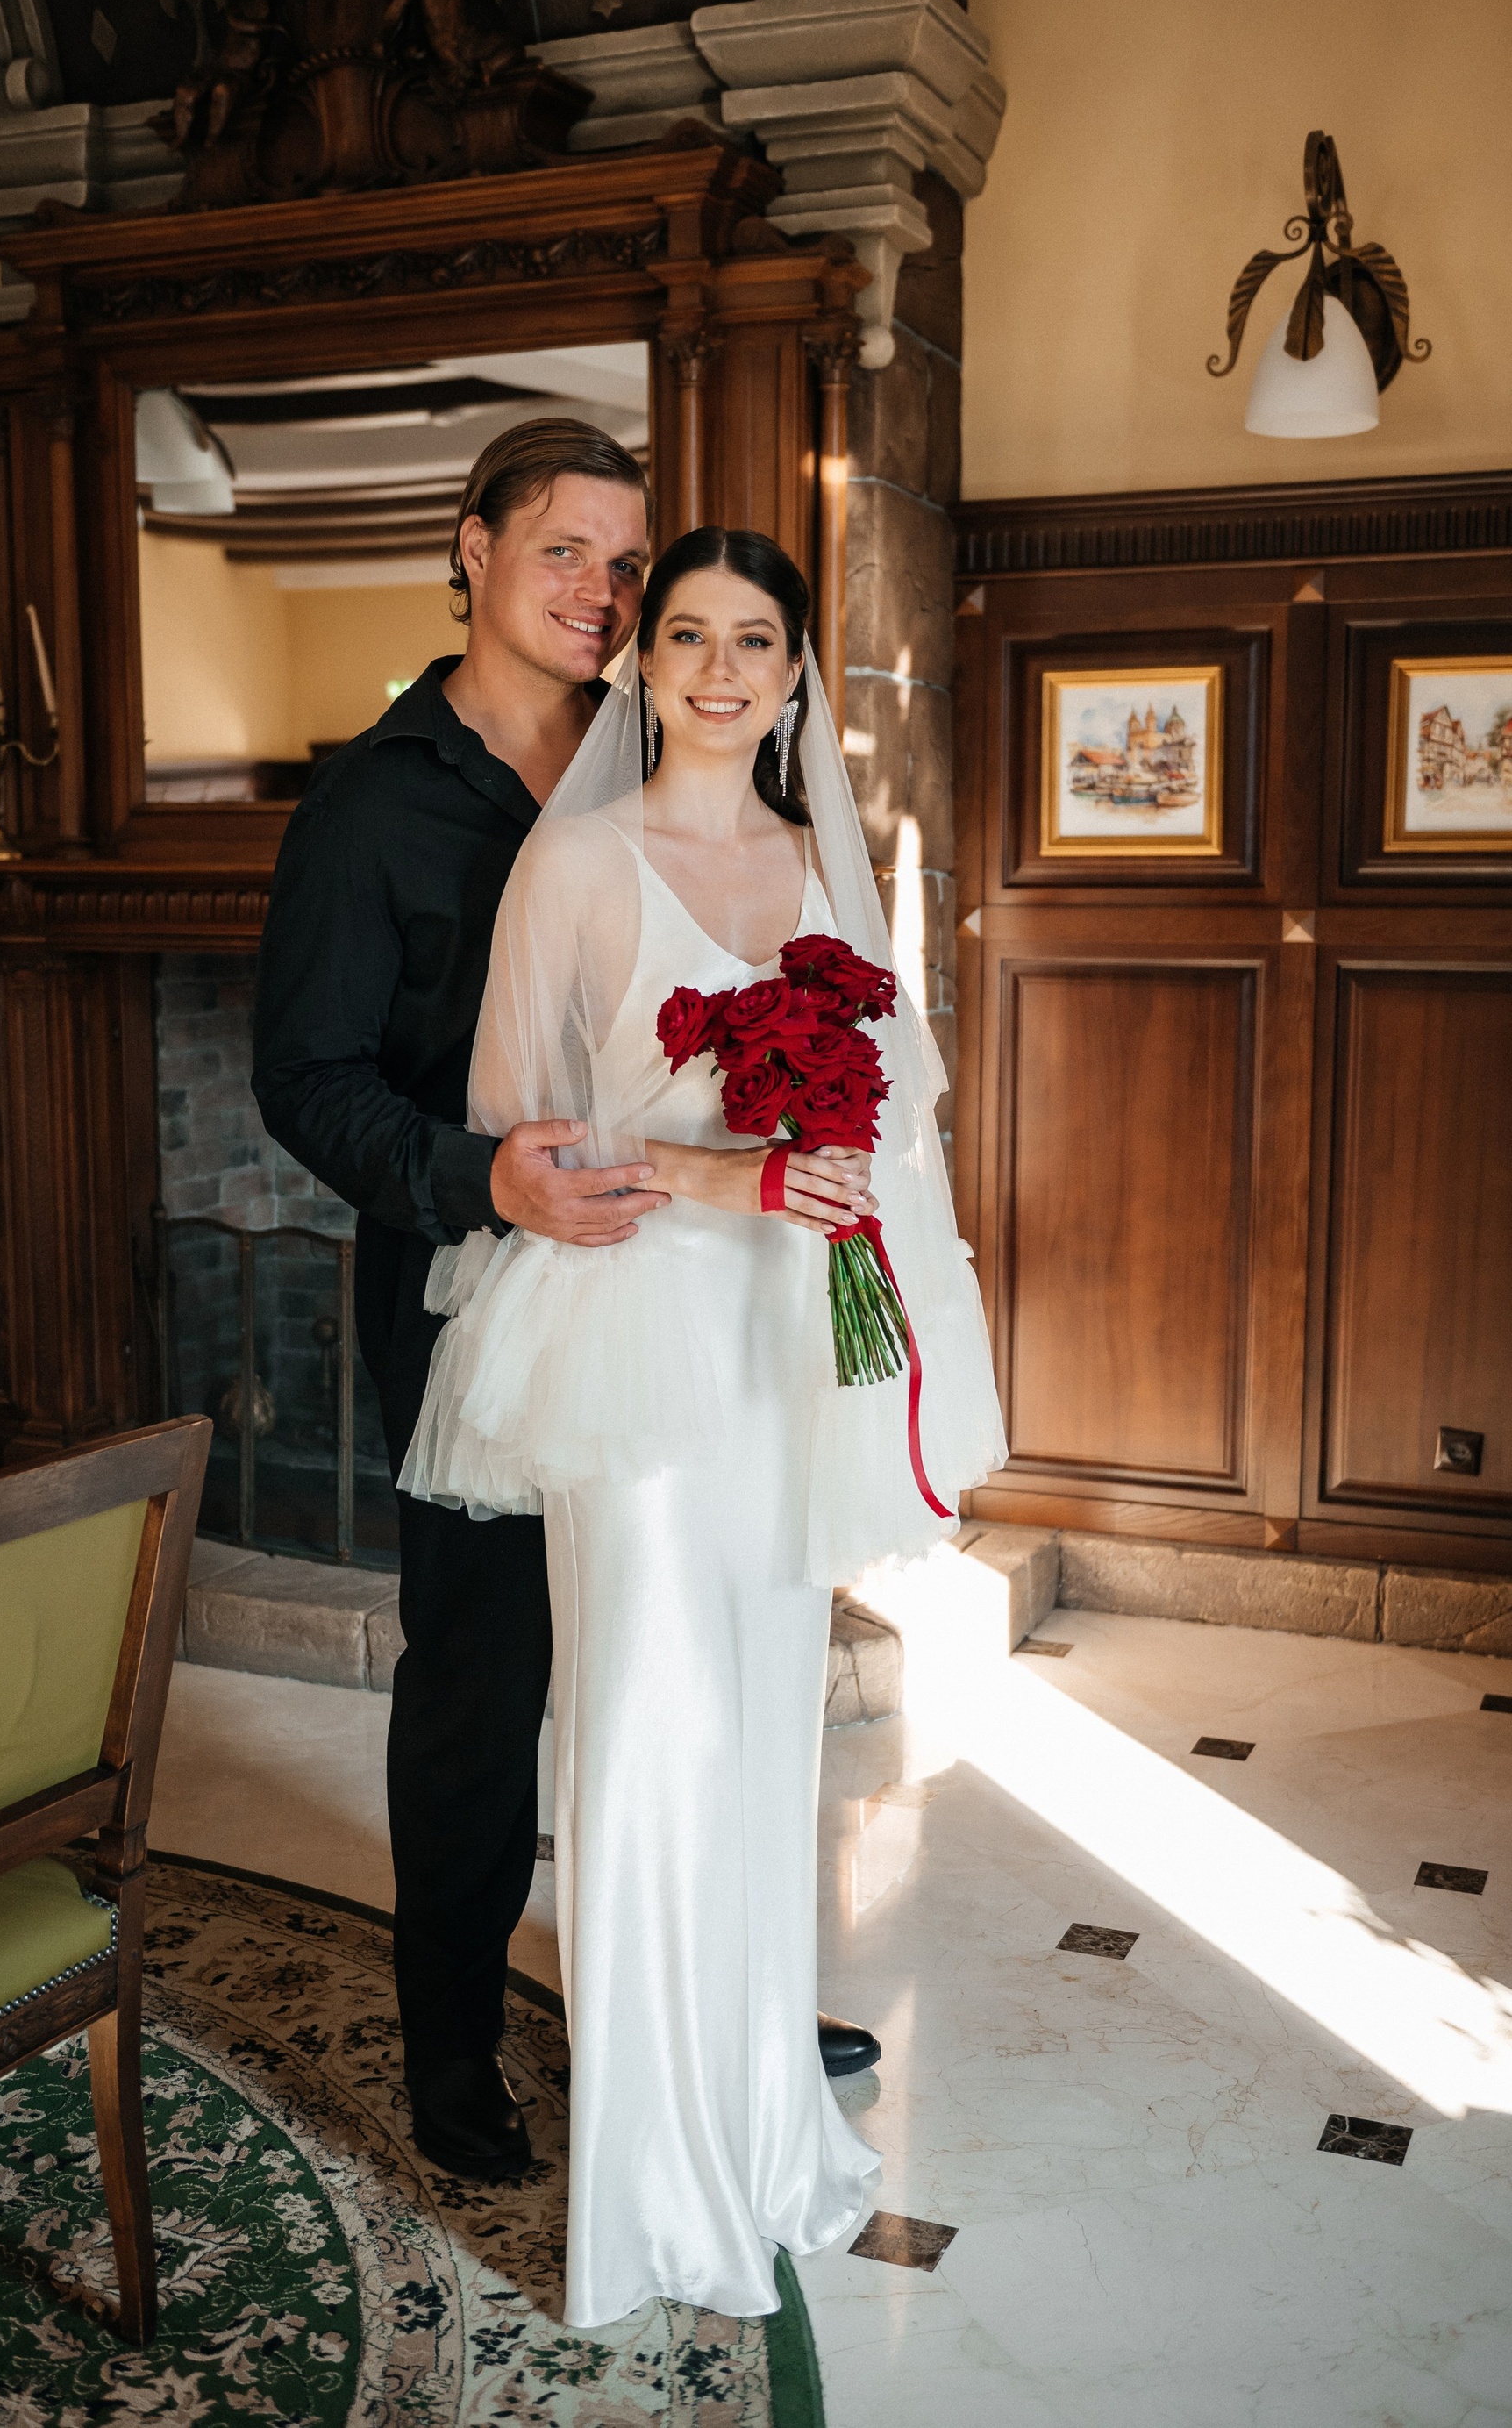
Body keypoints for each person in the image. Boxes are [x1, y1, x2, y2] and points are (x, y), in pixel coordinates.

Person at [251, 424, 881, 2193]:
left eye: (626, 563)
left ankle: (713, 2004)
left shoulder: (665, 749)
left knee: (692, 1653)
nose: (602, 591)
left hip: (695, 1284)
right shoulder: (373, 802)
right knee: (484, 1667)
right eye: (563, 552)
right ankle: (454, 2042)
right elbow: (304, 1079)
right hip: (478, 1290)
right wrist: (485, 1180)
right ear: (472, 550)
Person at [401, 527, 1006, 2326]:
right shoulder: (577, 862)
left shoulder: (823, 865)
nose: (722, 669)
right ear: (644, 664)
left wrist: (859, 1230)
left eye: (756, 639)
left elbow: (891, 1126)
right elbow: (513, 1132)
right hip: (637, 1344)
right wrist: (714, 1172)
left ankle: (752, 2130)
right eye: (687, 635)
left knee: (757, 1738)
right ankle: (651, 2189)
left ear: (797, 671)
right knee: (650, 1737)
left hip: (779, 1348)